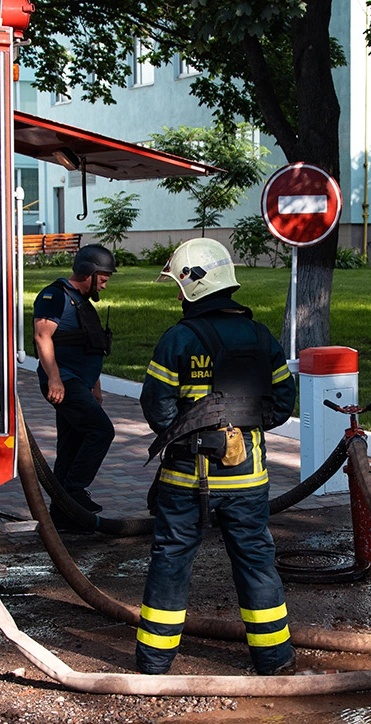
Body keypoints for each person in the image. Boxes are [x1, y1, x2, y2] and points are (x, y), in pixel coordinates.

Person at [135, 237, 298, 676]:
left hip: (186, 481)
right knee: (257, 564)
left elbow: (157, 410)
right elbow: (282, 404)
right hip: (248, 481)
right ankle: (275, 660)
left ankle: (153, 665)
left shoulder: (178, 340)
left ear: (191, 286)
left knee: (170, 563)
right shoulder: (261, 336)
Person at [32, 244, 117, 532]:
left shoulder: (82, 303)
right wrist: (54, 378)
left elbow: (91, 346)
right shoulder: (54, 296)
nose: (104, 285)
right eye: (103, 279)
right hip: (64, 382)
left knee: (70, 445)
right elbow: (42, 337)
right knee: (101, 431)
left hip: (79, 382)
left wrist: (97, 386)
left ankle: (64, 513)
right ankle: (75, 491)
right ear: (88, 273)